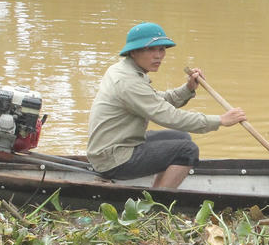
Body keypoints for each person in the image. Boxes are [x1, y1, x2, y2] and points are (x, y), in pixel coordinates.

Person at [87, 22, 246, 189]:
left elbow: (156, 101)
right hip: (113, 158)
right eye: (151, 49)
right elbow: (169, 116)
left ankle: (158, 187)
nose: (158, 56)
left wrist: (188, 88)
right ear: (133, 52)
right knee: (187, 150)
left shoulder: (124, 70)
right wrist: (220, 120)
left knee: (182, 137)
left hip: (117, 146)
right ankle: (159, 201)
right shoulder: (128, 82)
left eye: (161, 49)